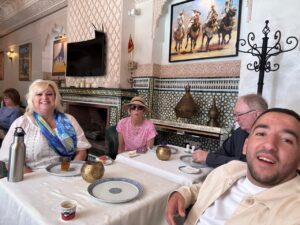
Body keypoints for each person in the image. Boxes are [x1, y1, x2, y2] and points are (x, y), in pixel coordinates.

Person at [166, 108, 300, 225]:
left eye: (287, 140)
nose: (269, 145)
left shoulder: (294, 213)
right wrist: (183, 194)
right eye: (261, 134)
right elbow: (205, 188)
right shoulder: (231, 169)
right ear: (245, 146)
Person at [0, 79, 91, 173]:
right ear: (31, 99)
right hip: (33, 176)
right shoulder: (21, 123)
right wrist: (33, 177)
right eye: (39, 94)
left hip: (66, 173)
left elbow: (81, 151)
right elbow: (9, 159)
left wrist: (72, 170)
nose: (45, 97)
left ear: (55, 98)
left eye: (49, 94)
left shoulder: (69, 120)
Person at [192, 94, 268, 168]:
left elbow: (248, 165)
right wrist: (207, 156)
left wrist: (209, 158)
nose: (236, 119)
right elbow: (222, 153)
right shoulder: (240, 132)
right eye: (235, 115)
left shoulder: (269, 138)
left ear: (256, 114)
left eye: (239, 114)